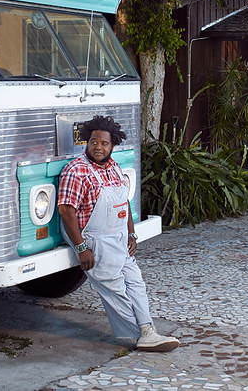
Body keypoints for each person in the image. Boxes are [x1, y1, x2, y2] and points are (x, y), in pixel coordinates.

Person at [57, 115, 179, 352]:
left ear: (112, 145)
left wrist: (131, 235)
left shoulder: (113, 167)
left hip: (120, 238)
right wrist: (81, 248)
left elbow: (124, 202)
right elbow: (66, 212)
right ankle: (137, 335)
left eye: (104, 143)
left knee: (136, 284)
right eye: (93, 142)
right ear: (86, 142)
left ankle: (148, 330)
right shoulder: (76, 171)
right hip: (95, 239)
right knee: (115, 289)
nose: (98, 147)